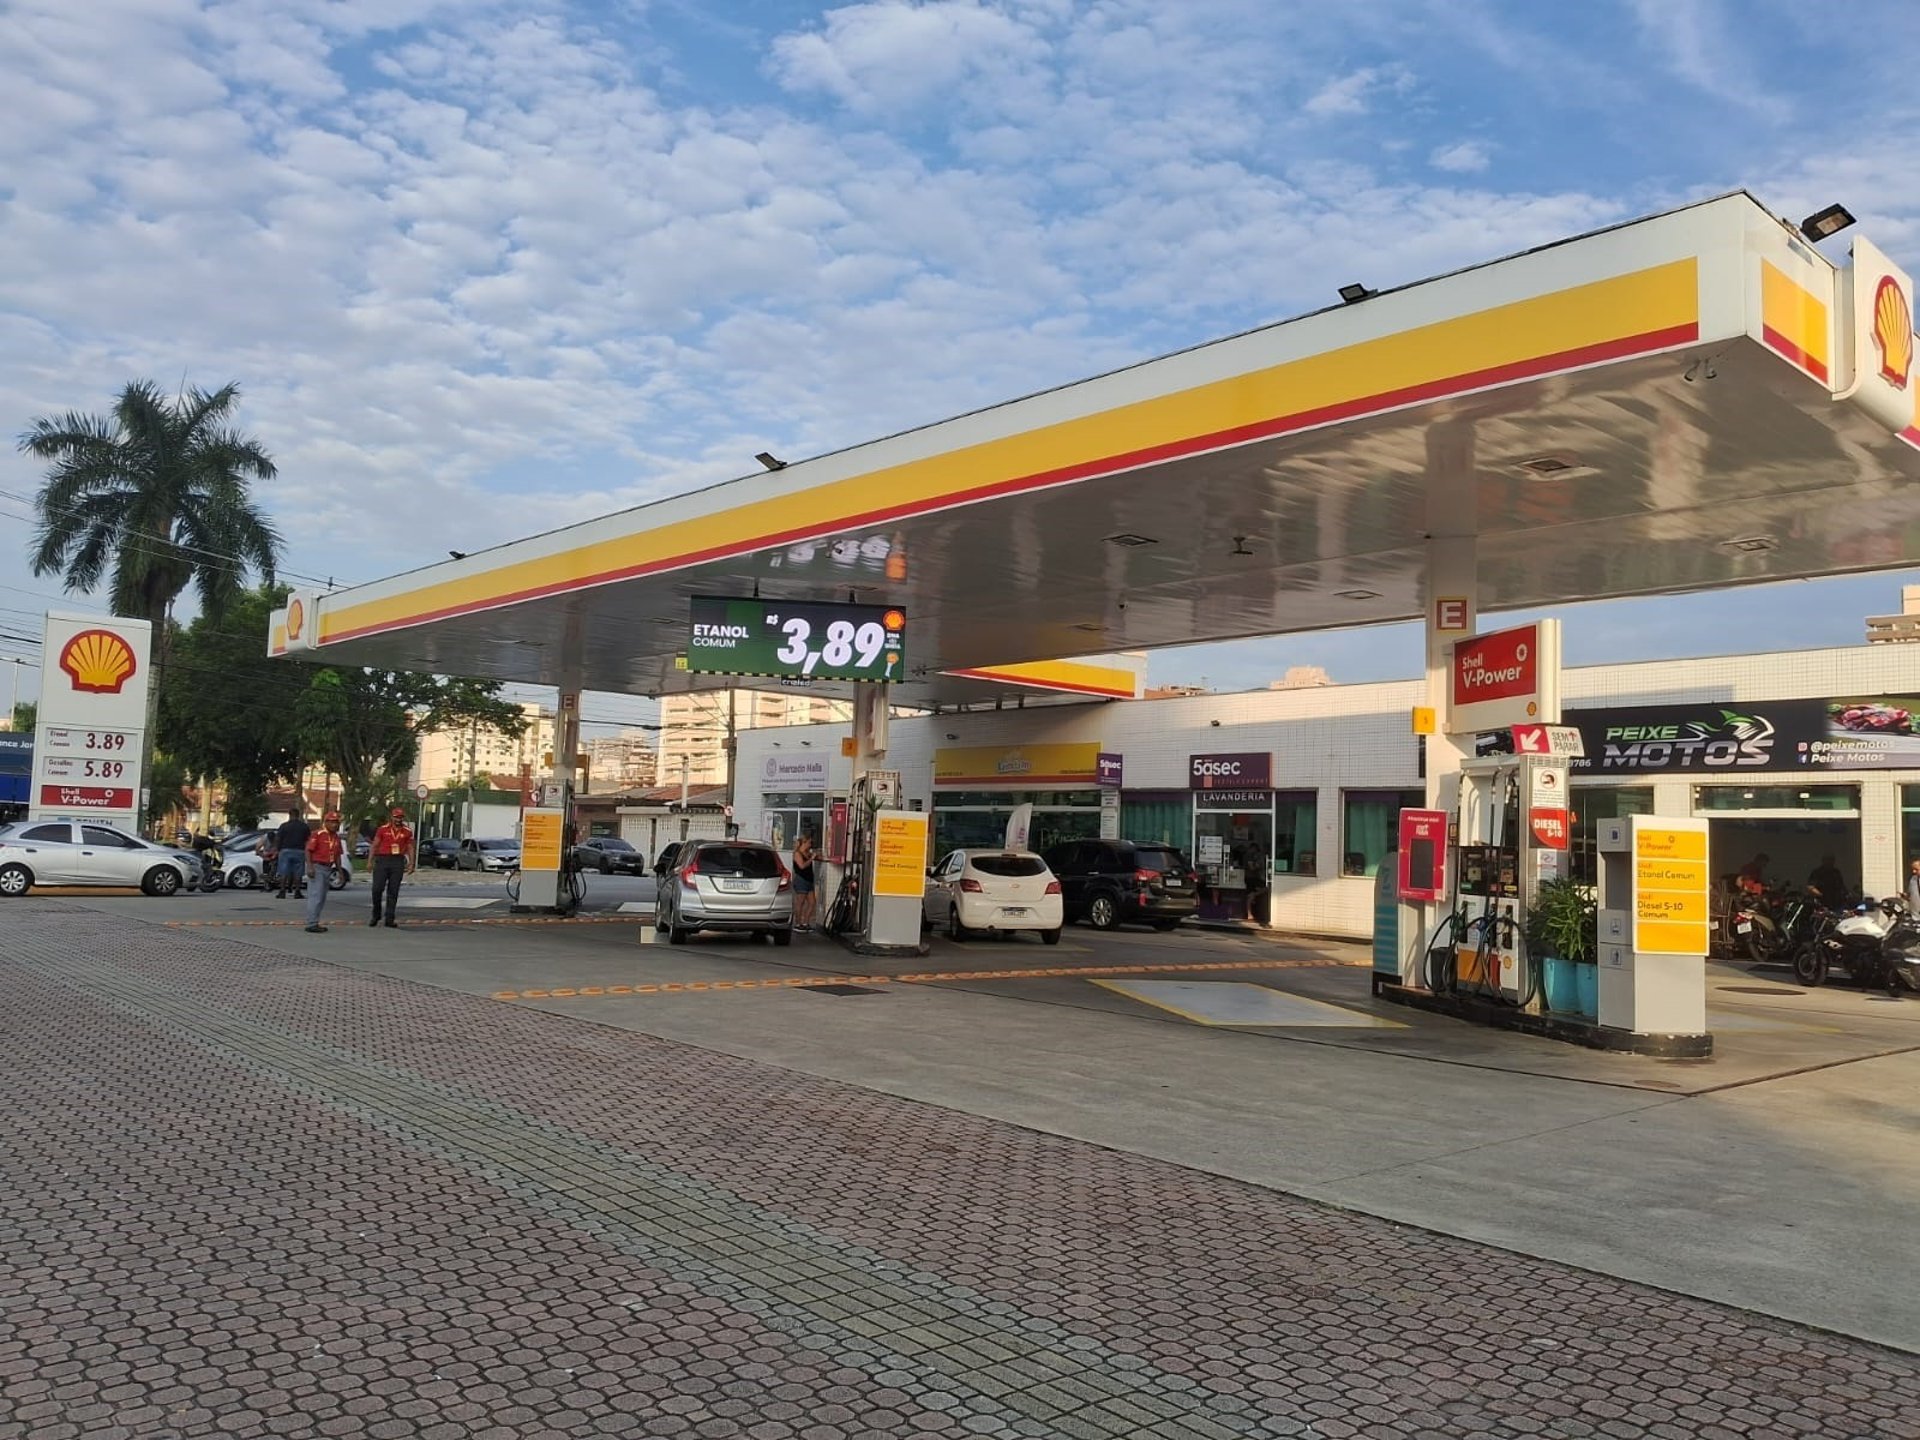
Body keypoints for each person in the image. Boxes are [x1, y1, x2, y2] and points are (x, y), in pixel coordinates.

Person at [368, 806, 415, 928]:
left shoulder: (407, 831)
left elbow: (410, 847)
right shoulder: (382, 829)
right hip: (382, 860)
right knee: (377, 889)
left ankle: (389, 918)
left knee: (393, 891)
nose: (398, 820)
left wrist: (411, 863)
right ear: (391, 817)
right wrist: (370, 861)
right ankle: (376, 914)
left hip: (397, 861)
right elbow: (375, 845)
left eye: (400, 817)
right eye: (396, 817)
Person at [304, 811, 345, 933]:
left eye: (336, 822)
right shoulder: (318, 834)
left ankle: (315, 921)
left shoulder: (336, 838)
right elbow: (308, 850)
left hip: (328, 868)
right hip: (317, 867)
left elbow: (337, 856)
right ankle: (311, 923)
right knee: (316, 896)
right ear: (325, 822)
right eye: (332, 822)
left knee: (322, 897)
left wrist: (340, 872)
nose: (334, 825)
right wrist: (310, 866)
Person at [274, 808, 311, 899]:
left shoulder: (283, 826)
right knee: (298, 872)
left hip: (285, 850)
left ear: (289, 815)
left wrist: (277, 849)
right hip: (299, 850)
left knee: (284, 871)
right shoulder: (304, 826)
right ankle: (297, 892)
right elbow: (308, 840)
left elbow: (278, 839)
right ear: (298, 815)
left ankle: (282, 891)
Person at [791, 832, 817, 932]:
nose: (810, 845)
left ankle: (806, 922)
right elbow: (802, 866)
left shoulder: (807, 853)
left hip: (809, 879)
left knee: (812, 902)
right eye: (809, 843)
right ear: (804, 843)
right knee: (800, 902)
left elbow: (816, 857)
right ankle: (798, 923)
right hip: (801, 879)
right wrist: (811, 859)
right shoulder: (797, 854)